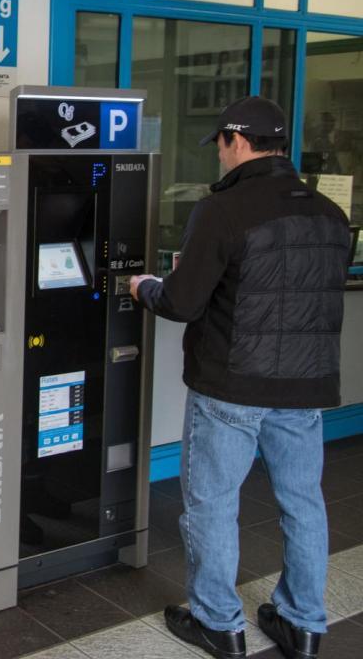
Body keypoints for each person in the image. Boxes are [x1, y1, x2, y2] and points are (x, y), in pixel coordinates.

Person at [129, 96, 351, 659]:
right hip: (305, 389)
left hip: (231, 384)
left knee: (212, 504)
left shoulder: (223, 210)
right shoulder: (330, 214)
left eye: (221, 145)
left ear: (237, 141)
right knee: (303, 503)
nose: (219, 157)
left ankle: (217, 622)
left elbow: (182, 302)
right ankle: (303, 624)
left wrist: (145, 287)